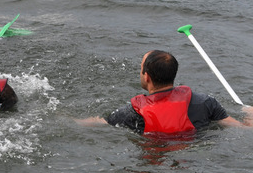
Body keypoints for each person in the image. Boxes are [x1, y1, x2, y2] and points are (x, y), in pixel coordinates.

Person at [78, 50, 253, 134]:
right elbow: (241, 130)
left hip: (157, 157)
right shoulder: (206, 102)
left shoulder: (132, 113)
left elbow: (98, 123)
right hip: (193, 157)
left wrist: (64, 119)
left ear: (146, 77)